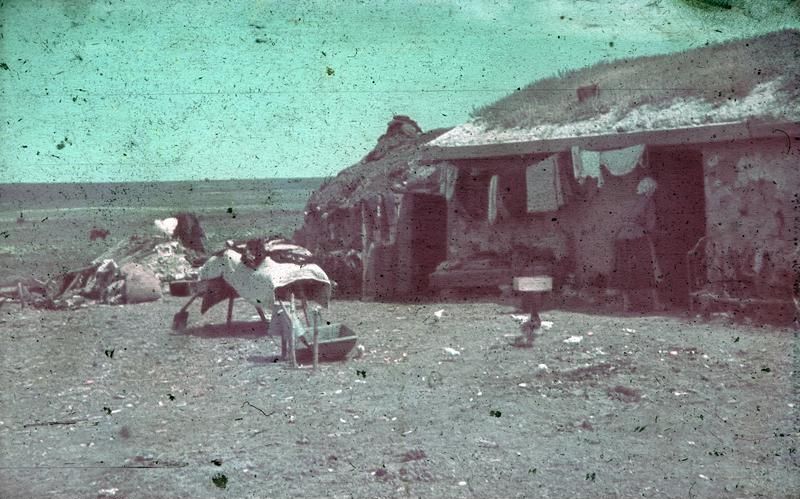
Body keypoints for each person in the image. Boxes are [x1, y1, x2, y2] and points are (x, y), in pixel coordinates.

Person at [612, 176, 663, 312]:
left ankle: (626, 304)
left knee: (624, 268)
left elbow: (619, 218)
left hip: (621, 237)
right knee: (648, 268)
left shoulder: (629, 200)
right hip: (638, 236)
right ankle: (656, 304)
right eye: (653, 190)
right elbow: (650, 224)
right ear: (650, 189)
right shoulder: (648, 201)